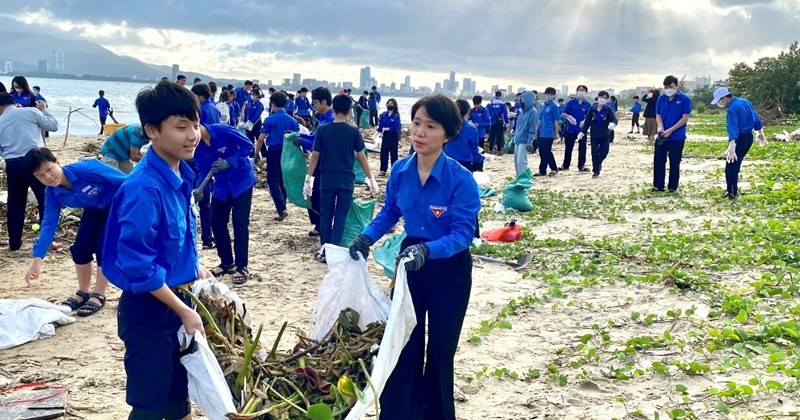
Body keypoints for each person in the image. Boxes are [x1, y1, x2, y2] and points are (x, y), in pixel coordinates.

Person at [348, 94, 480, 420]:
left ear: (448, 134)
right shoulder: (401, 170)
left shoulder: (461, 179)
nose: (419, 132)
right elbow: (390, 212)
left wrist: (428, 250)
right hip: (410, 267)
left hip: (449, 271)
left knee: (440, 352)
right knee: (404, 345)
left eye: (431, 126)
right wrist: (367, 236)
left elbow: (463, 234)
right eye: (417, 123)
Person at [102, 80, 213, 419]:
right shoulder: (143, 188)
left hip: (179, 299)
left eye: (195, 124)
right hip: (150, 311)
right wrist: (182, 311)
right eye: (181, 127)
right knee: (150, 406)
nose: (192, 135)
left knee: (178, 398)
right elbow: (138, 264)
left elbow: (175, 241)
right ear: (152, 131)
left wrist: (196, 267)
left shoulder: (180, 175)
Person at [23, 147, 125, 316]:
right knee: (80, 249)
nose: (48, 177)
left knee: (104, 248)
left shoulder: (87, 169)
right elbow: (49, 223)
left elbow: (126, 181)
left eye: (49, 169)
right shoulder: (53, 193)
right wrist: (37, 259)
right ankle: (83, 291)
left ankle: (99, 294)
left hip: (117, 208)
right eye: (40, 175)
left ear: (58, 162)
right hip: (93, 210)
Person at [304, 94, 378, 262]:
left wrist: (309, 178)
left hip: (327, 178)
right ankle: (333, 251)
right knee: (340, 216)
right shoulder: (353, 132)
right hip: (346, 180)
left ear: (333, 109)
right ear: (350, 111)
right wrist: (371, 178)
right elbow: (361, 157)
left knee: (326, 214)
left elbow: (315, 156)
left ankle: (324, 249)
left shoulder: (323, 130)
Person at [195, 123, 256, 284]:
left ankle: (242, 267)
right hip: (221, 187)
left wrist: (230, 161)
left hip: (241, 182)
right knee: (216, 223)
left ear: (197, 124)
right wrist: (199, 189)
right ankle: (227, 263)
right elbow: (203, 169)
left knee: (240, 223)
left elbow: (248, 146)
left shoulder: (223, 131)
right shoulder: (197, 146)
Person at [0, 92, 56, 251]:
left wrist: (9, 155)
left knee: (15, 204)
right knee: (45, 200)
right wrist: (44, 109)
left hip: (13, 164)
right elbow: (53, 126)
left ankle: (14, 243)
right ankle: (47, 240)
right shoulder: (31, 111)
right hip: (35, 160)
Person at [711, 87, 767, 199]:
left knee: (731, 166)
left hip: (739, 138)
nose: (720, 103)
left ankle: (732, 192)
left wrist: (732, 144)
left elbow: (733, 127)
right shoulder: (745, 102)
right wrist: (760, 131)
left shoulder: (732, 109)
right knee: (736, 163)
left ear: (724, 98)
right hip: (748, 137)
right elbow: (755, 116)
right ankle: (731, 190)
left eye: (720, 100)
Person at [256, 92, 299, 221]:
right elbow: (296, 138)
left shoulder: (270, 119)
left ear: (273, 104)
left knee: (273, 180)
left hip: (274, 152)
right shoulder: (292, 121)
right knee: (282, 179)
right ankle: (283, 206)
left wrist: (256, 153)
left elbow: (261, 139)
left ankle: (281, 208)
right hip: (288, 153)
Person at [305, 87, 336, 237]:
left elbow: (321, 143)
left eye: (315, 102)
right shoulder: (322, 118)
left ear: (324, 102)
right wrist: (301, 137)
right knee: (314, 194)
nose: (314, 106)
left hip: (325, 162)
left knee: (319, 194)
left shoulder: (331, 119)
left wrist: (304, 142)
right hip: (318, 161)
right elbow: (315, 138)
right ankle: (319, 224)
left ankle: (322, 225)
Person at [654, 75, 692, 192]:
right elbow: (658, 115)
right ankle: (658, 185)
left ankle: (672, 187)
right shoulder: (661, 98)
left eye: (670, 87)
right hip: (662, 135)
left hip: (677, 136)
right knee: (659, 161)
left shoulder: (684, 99)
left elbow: (684, 118)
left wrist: (670, 130)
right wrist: (661, 127)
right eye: (665, 87)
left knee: (674, 162)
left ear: (676, 86)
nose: (668, 89)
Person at [579, 90, 618, 178]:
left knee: (604, 152)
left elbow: (614, 119)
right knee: (594, 153)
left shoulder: (608, 109)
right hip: (594, 134)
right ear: (598, 97)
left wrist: (613, 124)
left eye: (605, 98)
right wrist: (582, 132)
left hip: (605, 134)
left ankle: (598, 163)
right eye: (601, 97)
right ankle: (596, 171)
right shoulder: (592, 109)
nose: (603, 99)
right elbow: (587, 122)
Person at [560, 85, 592, 171]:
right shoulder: (571, 103)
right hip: (570, 129)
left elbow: (590, 117)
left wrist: (585, 121)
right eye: (579, 90)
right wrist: (569, 117)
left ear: (586, 92)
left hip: (581, 130)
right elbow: (564, 113)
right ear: (577, 91)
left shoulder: (588, 105)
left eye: (583, 90)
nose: (581, 92)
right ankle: (565, 165)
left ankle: (581, 165)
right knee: (568, 148)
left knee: (582, 148)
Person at [444, 99, 481, 172]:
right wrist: (481, 158)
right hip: (464, 163)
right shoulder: (471, 129)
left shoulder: (446, 125)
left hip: (446, 161)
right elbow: (474, 149)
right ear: (468, 111)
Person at [534, 88, 560, 177]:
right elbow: (539, 120)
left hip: (549, 132)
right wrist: (536, 131)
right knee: (541, 151)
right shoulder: (543, 106)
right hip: (541, 132)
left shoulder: (554, 107)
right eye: (547, 94)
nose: (549, 96)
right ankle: (542, 170)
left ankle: (553, 168)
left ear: (554, 96)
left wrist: (556, 133)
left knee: (547, 151)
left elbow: (556, 121)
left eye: (551, 94)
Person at [377, 98, 402, 177]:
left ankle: (394, 170)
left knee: (393, 153)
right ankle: (383, 170)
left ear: (394, 105)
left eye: (391, 104)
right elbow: (380, 125)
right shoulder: (384, 115)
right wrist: (378, 130)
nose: (389, 105)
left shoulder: (396, 116)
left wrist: (387, 128)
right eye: (388, 103)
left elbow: (396, 127)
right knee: (384, 152)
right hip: (385, 136)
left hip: (393, 136)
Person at [487, 90, 508, 155]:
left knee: (492, 136)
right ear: (500, 96)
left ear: (495, 95)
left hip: (492, 122)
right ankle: (499, 150)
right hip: (500, 121)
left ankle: (490, 150)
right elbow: (505, 114)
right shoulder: (503, 104)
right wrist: (506, 122)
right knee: (499, 136)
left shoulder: (490, 103)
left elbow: (487, 113)